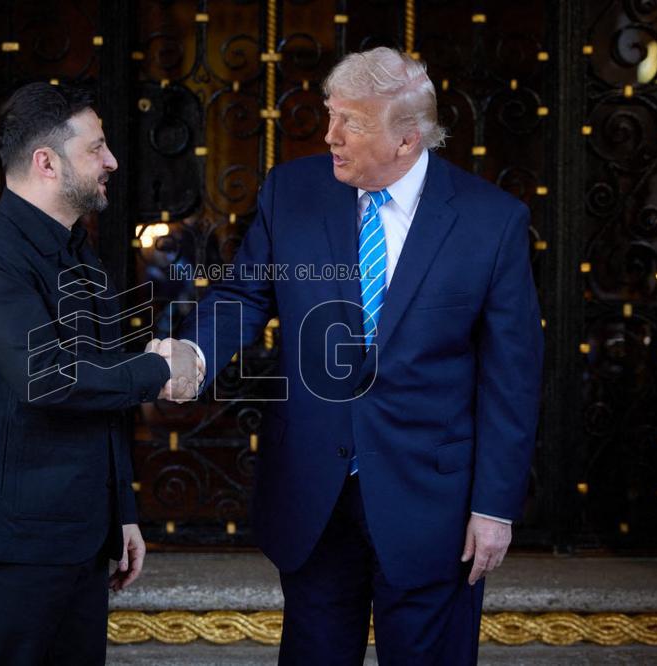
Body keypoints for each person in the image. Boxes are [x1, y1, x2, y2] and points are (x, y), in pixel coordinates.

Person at [167, 47, 544, 664]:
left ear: (408, 139)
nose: (330, 135)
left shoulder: (491, 222)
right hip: (313, 495)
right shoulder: (291, 190)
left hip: (434, 508)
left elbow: (512, 376)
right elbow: (242, 294)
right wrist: (194, 355)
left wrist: (494, 507)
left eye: (352, 123)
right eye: (330, 114)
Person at [0, 82, 199, 666]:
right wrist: (157, 369)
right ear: (46, 163)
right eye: (97, 148)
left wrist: (122, 514)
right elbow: (49, 377)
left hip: (78, 542)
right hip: (8, 551)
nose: (111, 161)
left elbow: (99, 386)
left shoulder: (80, 254)